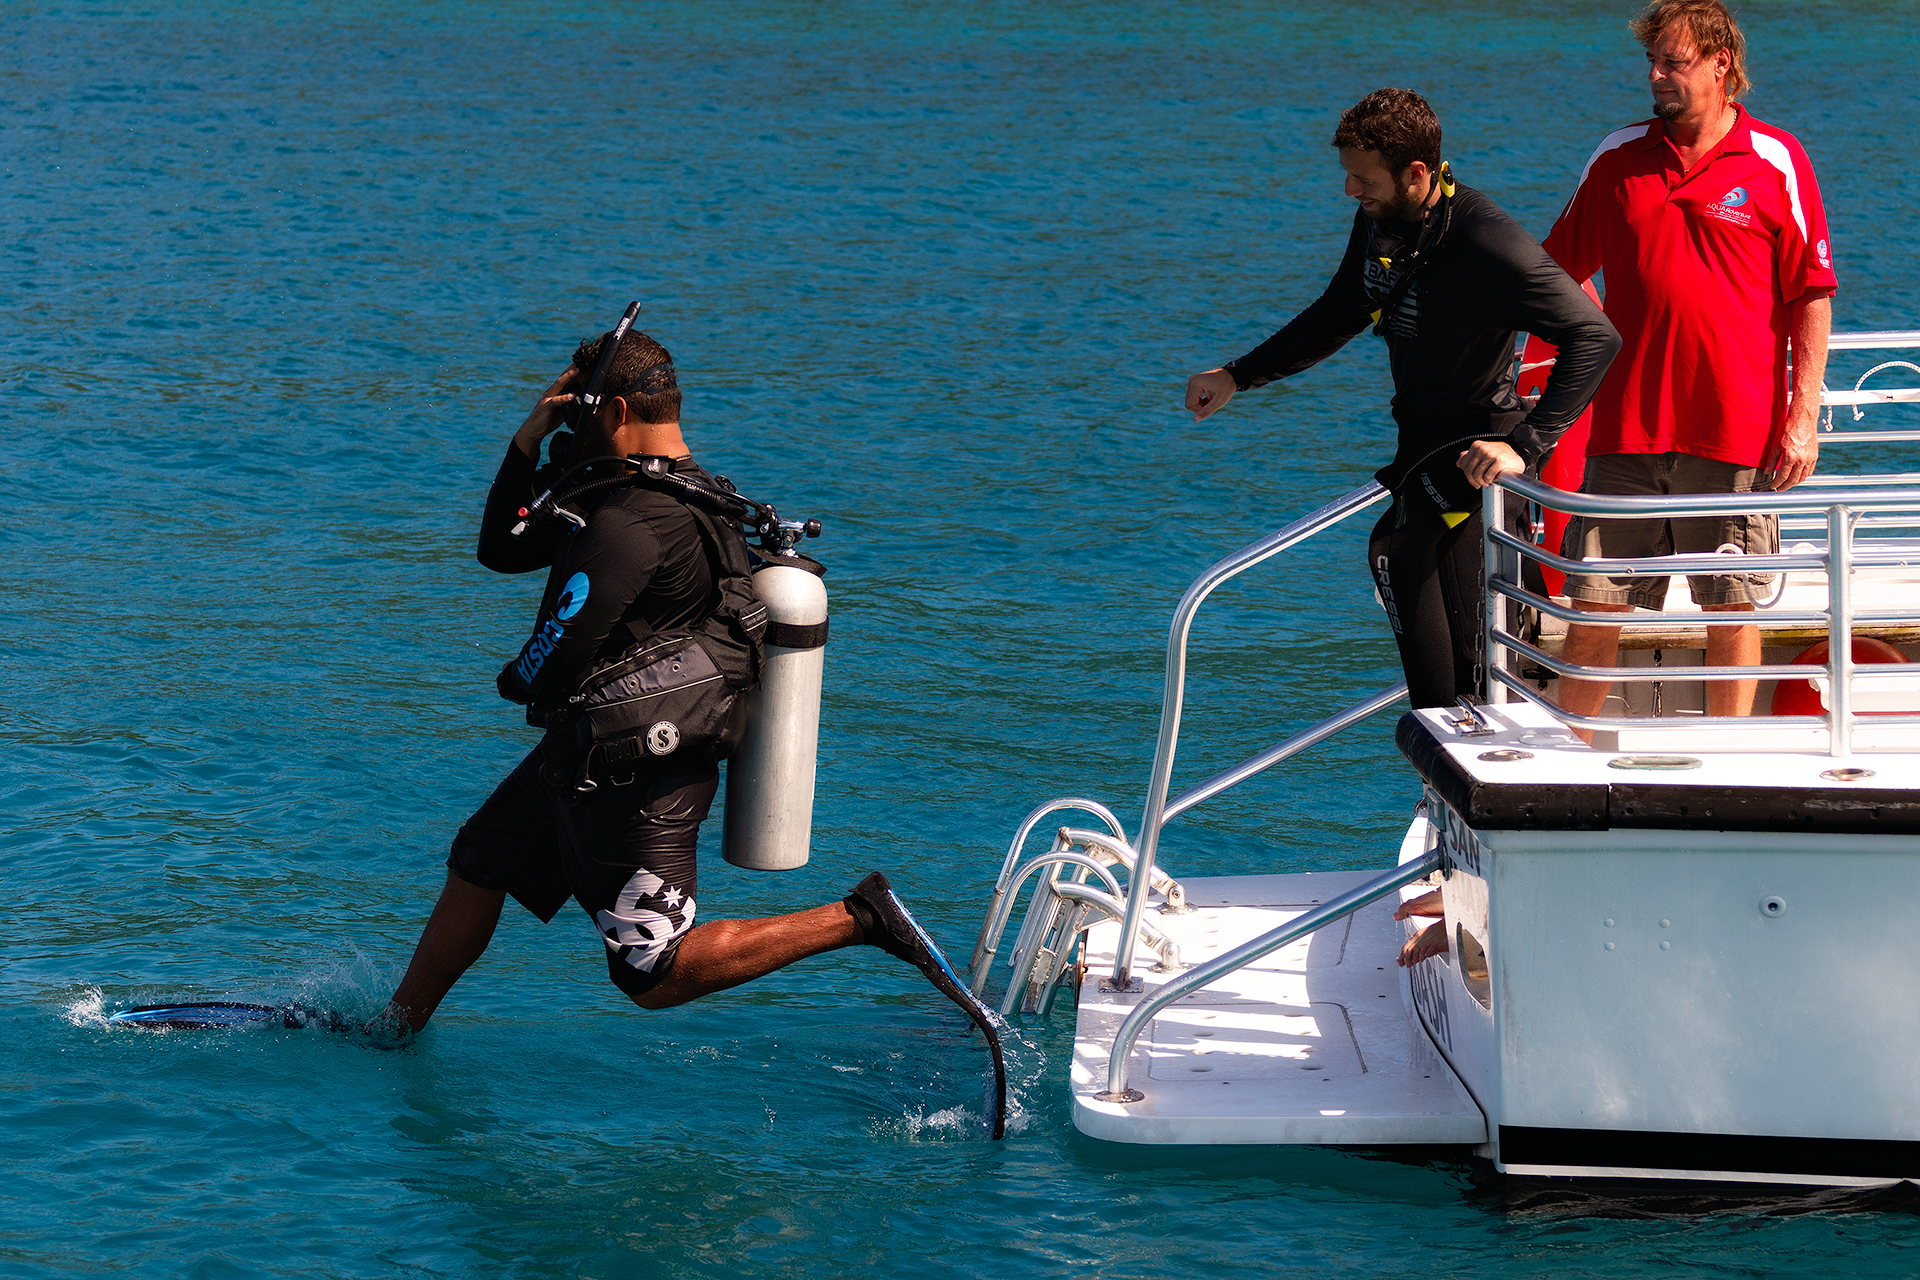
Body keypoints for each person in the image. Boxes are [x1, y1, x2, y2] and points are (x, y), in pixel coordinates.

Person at [373, 324, 978, 1037]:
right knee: (480, 861)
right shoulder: (670, 494)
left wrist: (513, 679)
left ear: (618, 414)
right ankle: (392, 1031)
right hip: (586, 754)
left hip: (642, 778)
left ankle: (860, 918)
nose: (575, 428)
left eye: (581, 414)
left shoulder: (630, 522)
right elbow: (501, 550)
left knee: (651, 974)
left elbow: (557, 654)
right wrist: (528, 441)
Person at [1186, 89, 1619, 709]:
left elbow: (1595, 337)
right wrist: (1238, 374)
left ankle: (1471, 753)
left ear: (1415, 173)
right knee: (1408, 571)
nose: (1349, 193)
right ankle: (1447, 760)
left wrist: (1526, 444)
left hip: (1475, 459)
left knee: (1408, 565)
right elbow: (1341, 310)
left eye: (1362, 179)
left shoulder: (1486, 240)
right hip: (1420, 446)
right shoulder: (1382, 220)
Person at [1542, 0, 1836, 731]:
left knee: (1730, 607)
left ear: (1720, 65)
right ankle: (1568, 750)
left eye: (1672, 62)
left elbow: (1813, 293)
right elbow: (1554, 271)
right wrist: (1591, 341)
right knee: (1596, 608)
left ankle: (1728, 756)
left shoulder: (1776, 160)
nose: (1656, 76)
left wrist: (1802, 421)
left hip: (1735, 431)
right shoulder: (1617, 157)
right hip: (1625, 430)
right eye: (1653, 62)